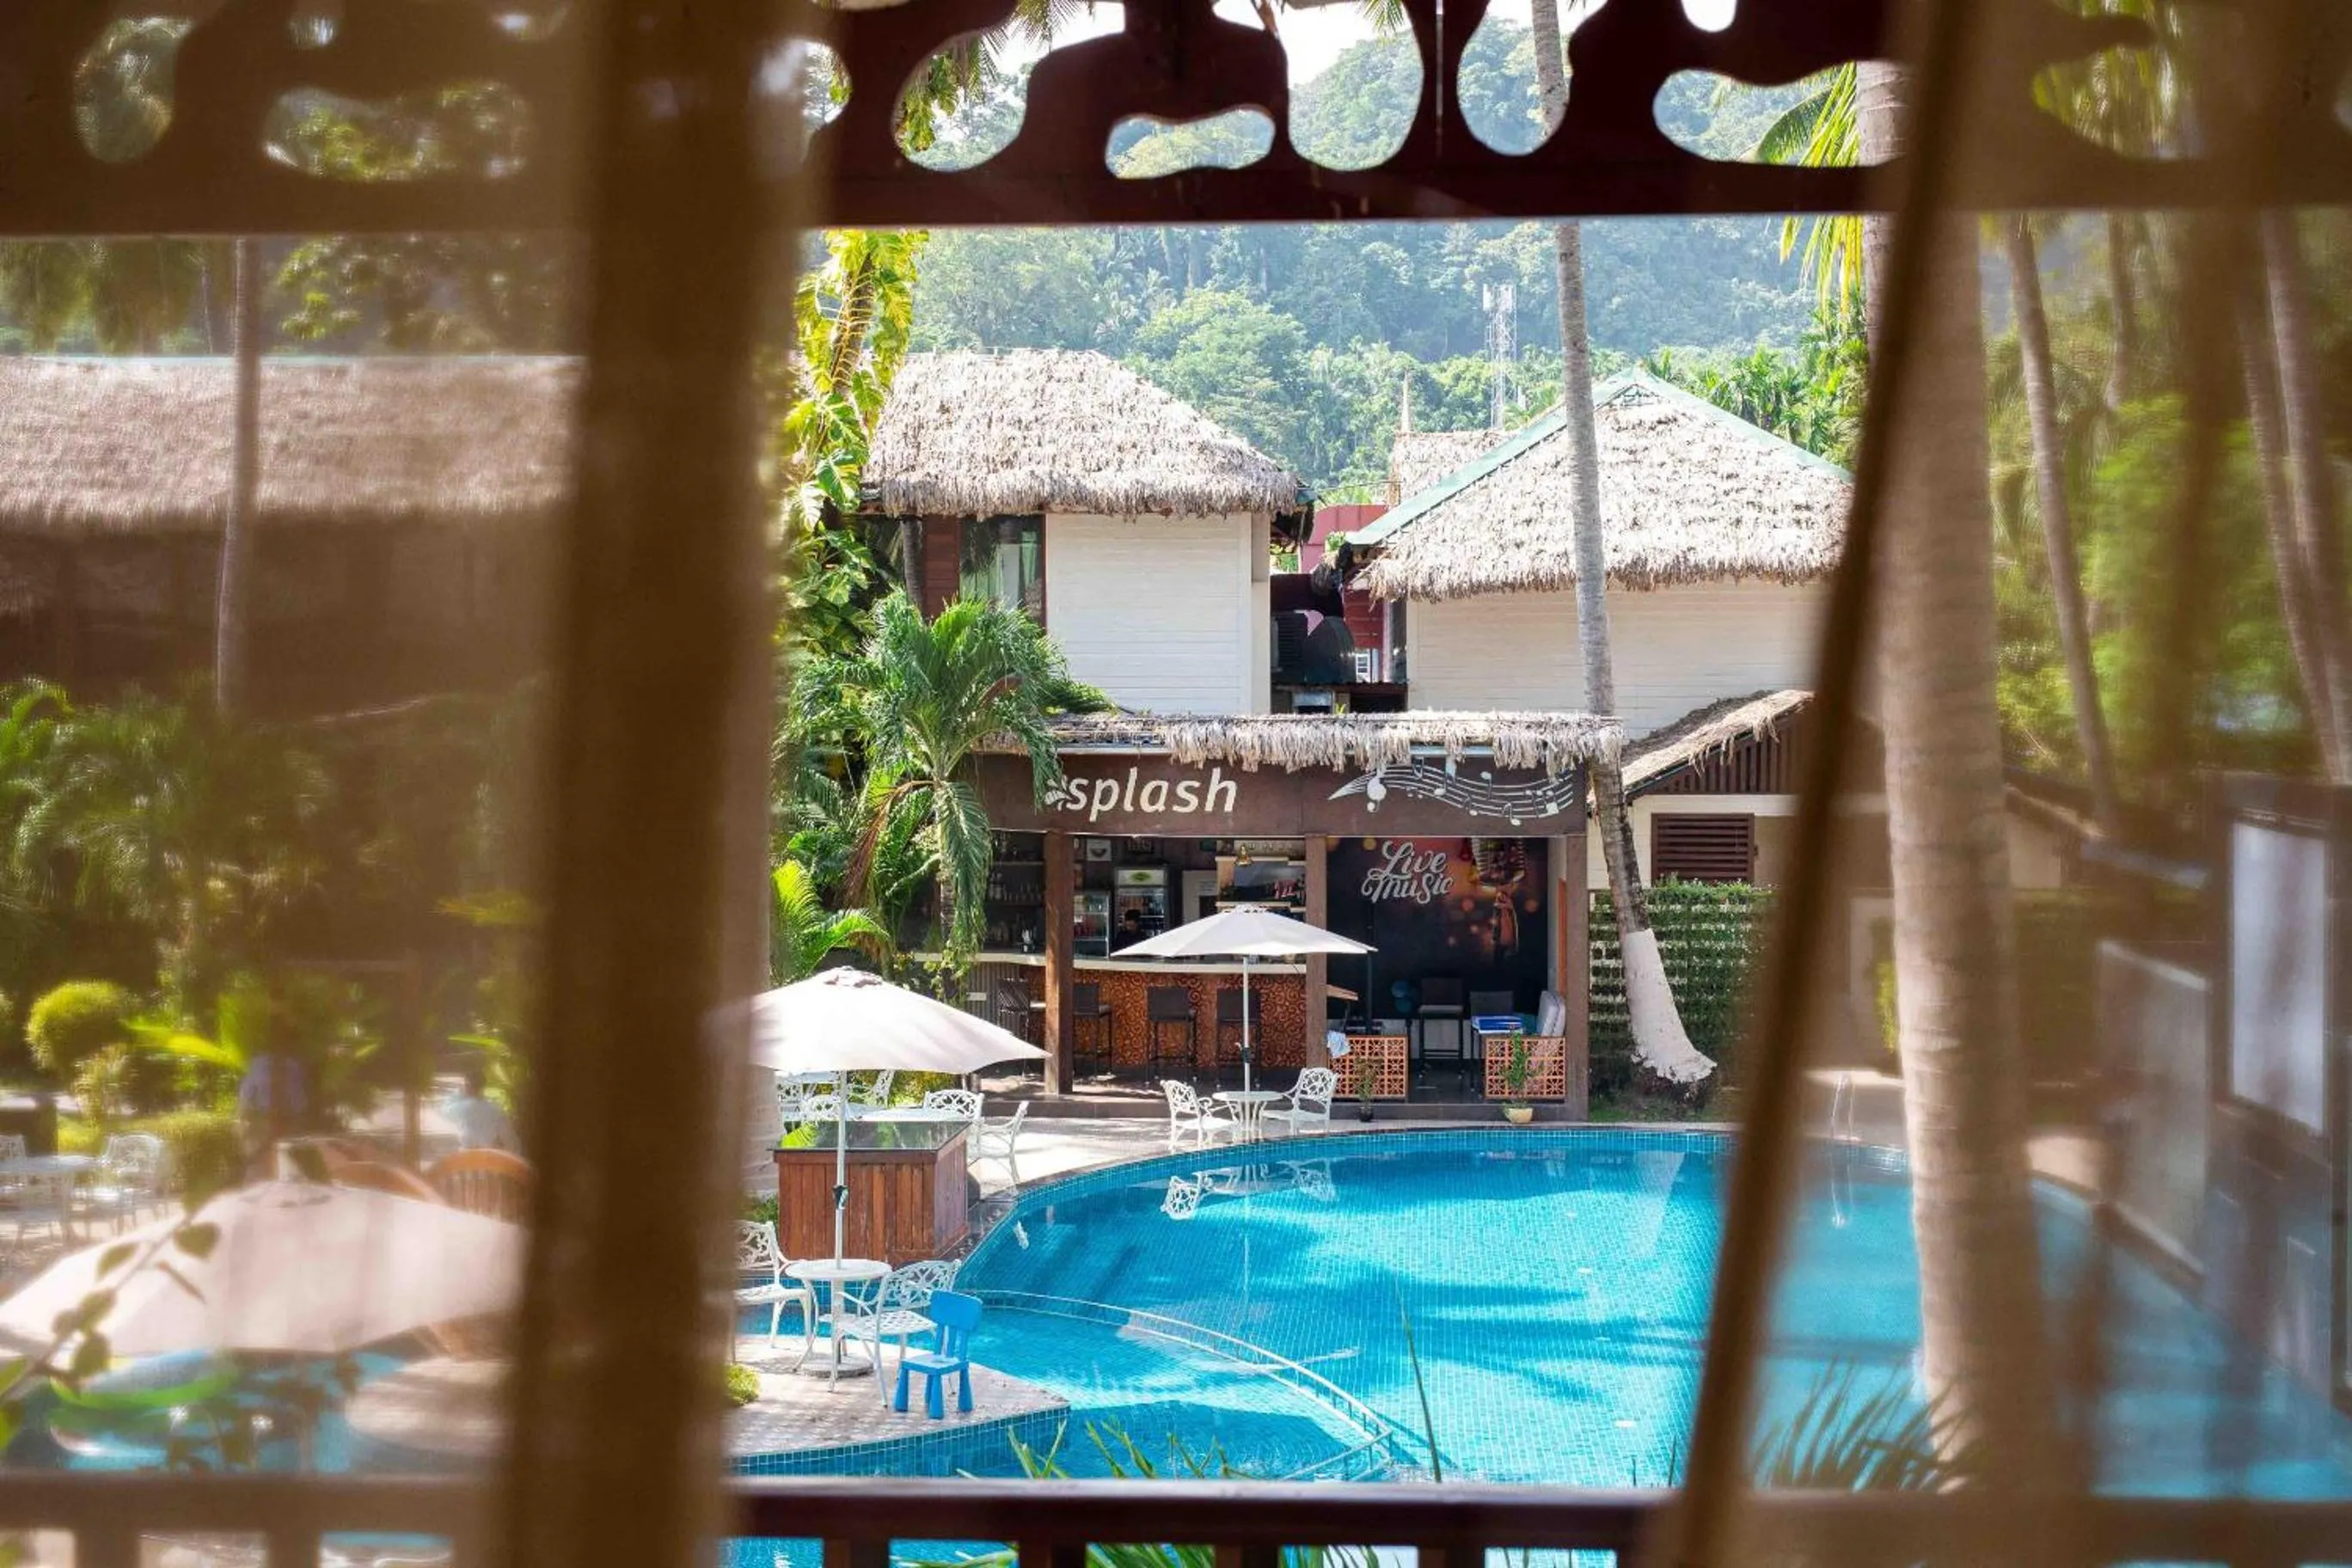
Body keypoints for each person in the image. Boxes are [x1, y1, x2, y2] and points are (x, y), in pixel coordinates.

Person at [444, 1065, 520, 1154]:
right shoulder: (496, 1109)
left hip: (467, 1154)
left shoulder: (459, 1108)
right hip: (490, 1154)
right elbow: (508, 1138)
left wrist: (459, 1093)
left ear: (466, 1086)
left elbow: (444, 1111)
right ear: (483, 1086)